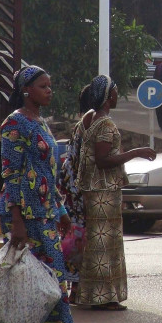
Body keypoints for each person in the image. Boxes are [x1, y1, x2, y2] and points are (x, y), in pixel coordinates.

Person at [0, 65, 73, 323]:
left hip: (45, 211)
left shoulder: (40, 121)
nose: (49, 91)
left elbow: (47, 172)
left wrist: (61, 211)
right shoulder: (14, 122)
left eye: (50, 85)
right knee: (48, 279)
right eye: (43, 86)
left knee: (38, 280)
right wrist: (17, 219)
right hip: (25, 212)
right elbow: (10, 173)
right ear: (26, 90)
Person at [75, 75, 156, 310]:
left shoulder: (88, 118)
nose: (118, 95)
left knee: (95, 242)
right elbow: (102, 159)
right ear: (108, 96)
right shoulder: (106, 123)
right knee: (105, 244)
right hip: (104, 191)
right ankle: (104, 297)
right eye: (116, 91)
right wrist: (136, 152)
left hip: (92, 188)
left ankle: (91, 294)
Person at [57, 84, 94, 300]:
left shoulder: (79, 125)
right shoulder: (89, 123)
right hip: (80, 193)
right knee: (80, 240)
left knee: (75, 238)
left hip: (72, 190)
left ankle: (75, 289)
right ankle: (77, 290)